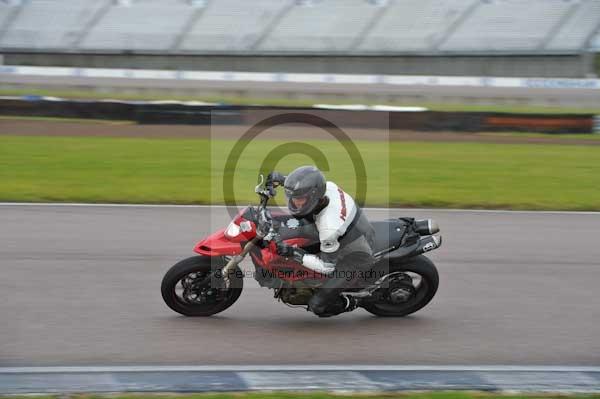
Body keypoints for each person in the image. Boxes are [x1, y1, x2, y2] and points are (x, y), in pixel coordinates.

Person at [266, 165, 376, 317]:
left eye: (299, 199)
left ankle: (359, 301)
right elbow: (307, 186)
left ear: (313, 196)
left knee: (318, 305)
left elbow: (327, 266)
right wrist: (284, 180)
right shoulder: (326, 187)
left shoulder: (329, 228)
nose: (295, 202)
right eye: (293, 197)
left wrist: (294, 253)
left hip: (356, 256)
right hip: (351, 230)